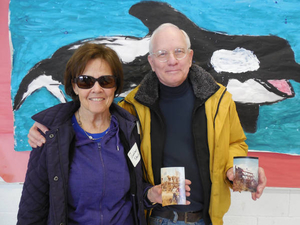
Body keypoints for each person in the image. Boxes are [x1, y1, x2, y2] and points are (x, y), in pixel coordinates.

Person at [27, 24, 267, 225]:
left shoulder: (220, 99)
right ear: (151, 62)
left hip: (206, 218)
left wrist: (235, 171)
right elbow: (92, 104)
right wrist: (46, 125)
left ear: (190, 56)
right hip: (155, 217)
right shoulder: (132, 107)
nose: (172, 60)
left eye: (179, 52)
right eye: (162, 54)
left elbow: (236, 143)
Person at [18, 43, 174, 225]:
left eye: (106, 81)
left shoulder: (129, 129)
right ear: (74, 87)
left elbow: (132, 191)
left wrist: (150, 195)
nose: (97, 89)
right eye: (86, 81)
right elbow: (32, 210)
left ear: (115, 87)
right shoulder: (49, 135)